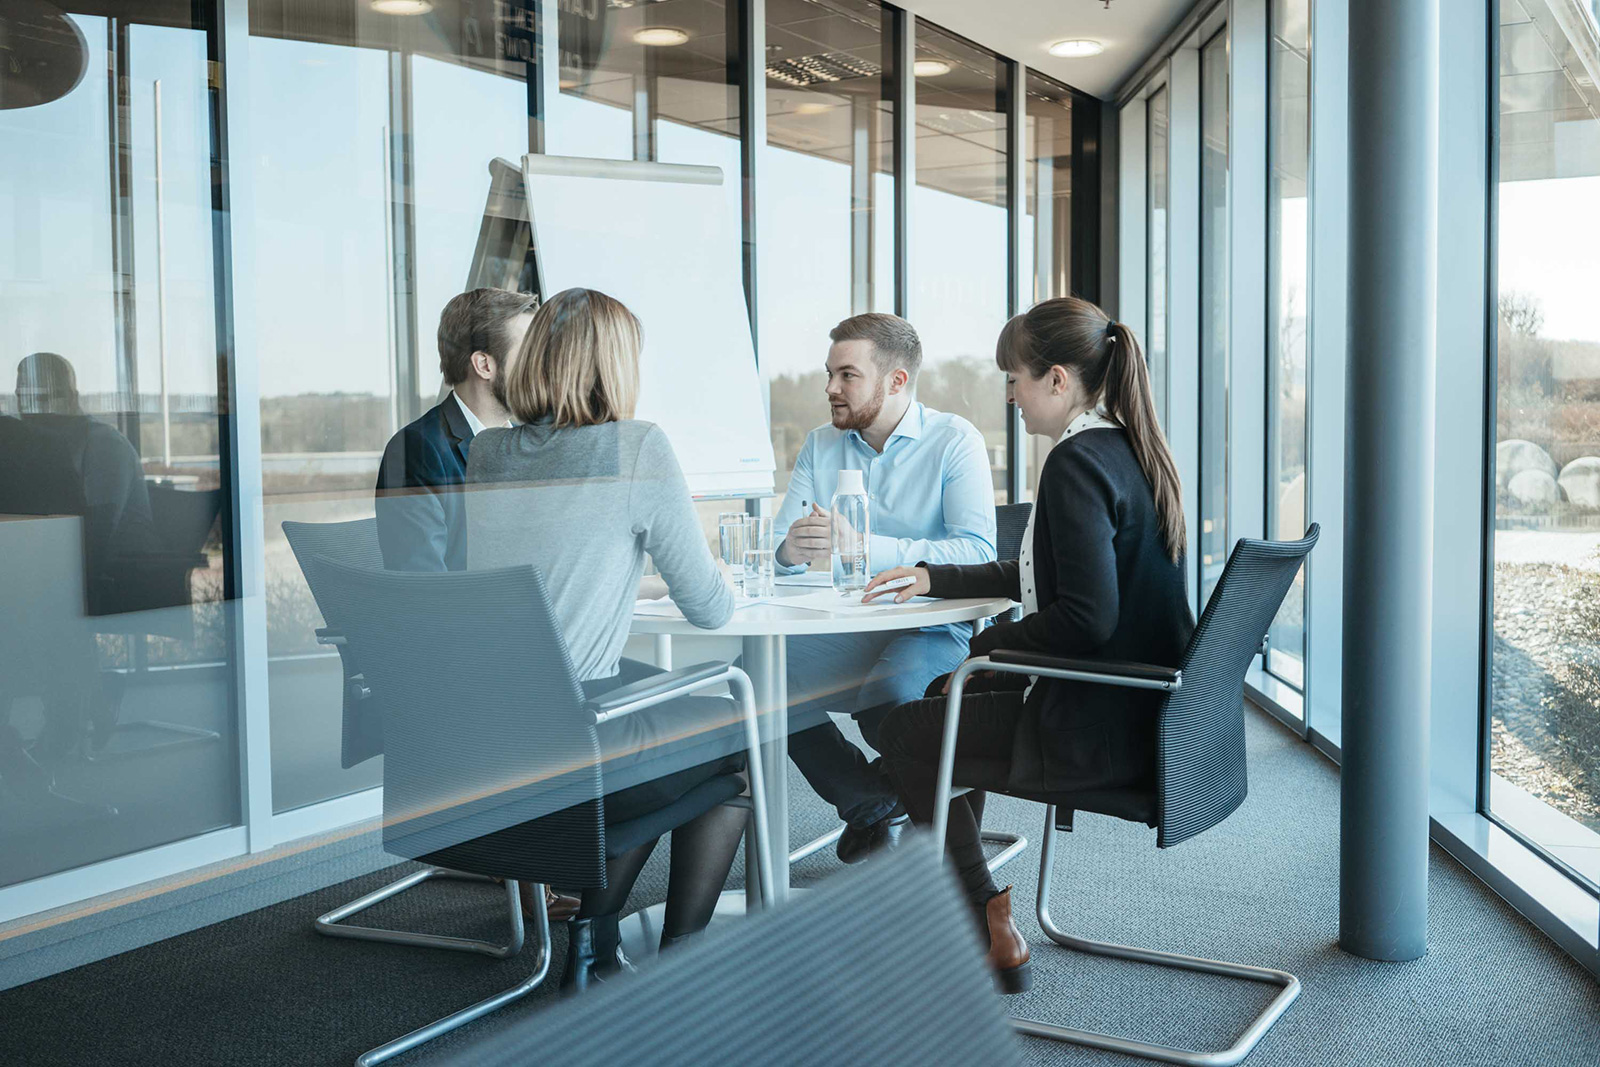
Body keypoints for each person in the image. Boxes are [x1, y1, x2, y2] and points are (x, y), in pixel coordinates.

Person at [865, 296, 1195, 994]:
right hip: (1146, 714)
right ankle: (975, 908)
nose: (1007, 394)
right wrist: (935, 575)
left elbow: (1085, 617)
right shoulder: (1127, 448)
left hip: (1095, 726)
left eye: (1013, 378)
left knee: (906, 730)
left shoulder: (1076, 463)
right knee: (941, 705)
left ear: (1056, 379)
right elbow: (1042, 573)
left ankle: (981, 913)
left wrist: (985, 646)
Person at [465, 287, 751, 990]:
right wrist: (732, 578)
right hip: (578, 746)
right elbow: (711, 608)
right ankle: (676, 967)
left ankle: (593, 948)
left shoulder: (487, 452)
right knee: (733, 741)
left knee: (663, 725)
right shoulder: (637, 446)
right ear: (615, 366)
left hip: (487, 742)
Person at [772, 313, 995, 863]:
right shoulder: (821, 445)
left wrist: (864, 546)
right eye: (829, 374)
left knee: (890, 705)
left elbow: (980, 553)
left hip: (929, 625)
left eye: (847, 375)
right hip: (846, 628)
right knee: (759, 680)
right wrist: (791, 552)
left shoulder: (953, 440)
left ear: (896, 381)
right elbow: (780, 548)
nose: (830, 388)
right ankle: (869, 797)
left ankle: (883, 799)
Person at [374, 288, 534, 572]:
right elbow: (423, 590)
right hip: (474, 614)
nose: (540, 367)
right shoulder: (416, 450)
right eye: (529, 354)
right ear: (484, 364)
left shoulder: (531, 442)